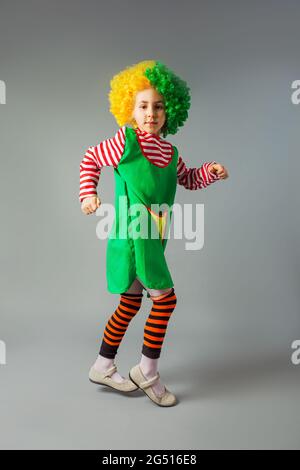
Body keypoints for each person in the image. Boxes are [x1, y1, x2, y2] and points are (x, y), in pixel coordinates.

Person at [79, 60, 229, 406]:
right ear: (129, 108)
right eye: (143, 106)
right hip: (134, 237)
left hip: (152, 235)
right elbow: (91, 158)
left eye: (158, 106)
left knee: (130, 303)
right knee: (166, 300)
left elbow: (188, 179)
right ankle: (148, 371)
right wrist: (88, 193)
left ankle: (102, 365)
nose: (151, 113)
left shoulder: (170, 152)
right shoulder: (126, 141)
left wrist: (210, 171)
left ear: (170, 110)